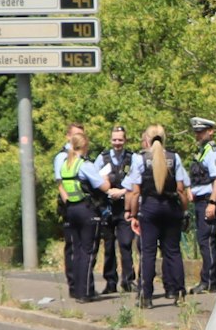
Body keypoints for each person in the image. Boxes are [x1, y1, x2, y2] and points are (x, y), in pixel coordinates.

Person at [124, 124, 189, 308]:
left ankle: (146, 296)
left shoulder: (140, 159)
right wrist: (184, 212)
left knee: (148, 253)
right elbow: (181, 189)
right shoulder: (174, 158)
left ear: (147, 138)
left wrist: (134, 215)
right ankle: (179, 293)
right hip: (170, 208)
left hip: (150, 209)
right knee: (173, 252)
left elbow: (135, 192)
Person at [53, 124, 112, 303]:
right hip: (87, 209)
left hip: (71, 208)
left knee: (77, 251)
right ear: (84, 146)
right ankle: (86, 291)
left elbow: (61, 185)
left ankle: (77, 289)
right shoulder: (84, 165)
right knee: (88, 251)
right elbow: (104, 187)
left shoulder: (65, 164)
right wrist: (106, 179)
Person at [92, 125, 138, 295]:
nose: (117, 143)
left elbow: (136, 182)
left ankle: (128, 280)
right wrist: (108, 191)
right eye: (114, 140)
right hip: (106, 207)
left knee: (126, 244)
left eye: (120, 140)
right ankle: (110, 282)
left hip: (125, 207)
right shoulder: (102, 158)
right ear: (110, 140)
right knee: (109, 246)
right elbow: (94, 180)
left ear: (125, 140)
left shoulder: (132, 158)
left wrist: (122, 192)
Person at [188, 117, 216, 293]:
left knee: (207, 240)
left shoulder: (214, 153)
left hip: (209, 200)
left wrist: (212, 203)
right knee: (203, 240)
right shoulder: (203, 152)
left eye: (201, 131)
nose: (198, 135)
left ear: (210, 131)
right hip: (201, 200)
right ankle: (206, 280)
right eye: (196, 132)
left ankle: (210, 282)